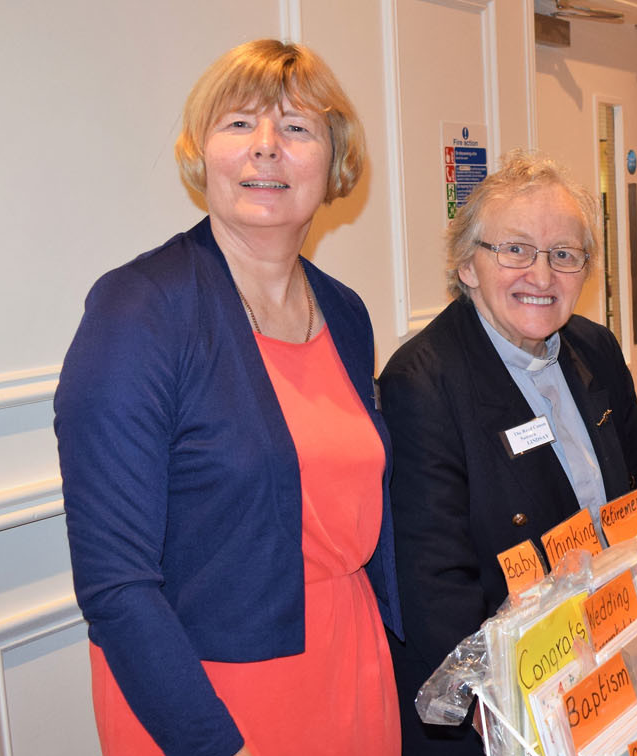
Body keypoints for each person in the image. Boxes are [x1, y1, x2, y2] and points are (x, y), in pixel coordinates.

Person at [55, 40, 401, 756]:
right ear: (201, 153)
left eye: (297, 128)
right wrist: (212, 743)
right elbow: (116, 586)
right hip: (206, 701)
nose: (266, 149)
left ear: (334, 162)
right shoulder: (139, 311)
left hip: (349, 668)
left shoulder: (345, 311)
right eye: (239, 124)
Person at [380, 150, 637, 754]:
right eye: (515, 250)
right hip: (503, 705)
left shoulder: (596, 348)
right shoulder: (423, 381)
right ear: (467, 265)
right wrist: (507, 711)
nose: (542, 275)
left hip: (607, 661)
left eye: (564, 255)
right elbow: (434, 585)